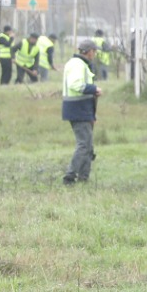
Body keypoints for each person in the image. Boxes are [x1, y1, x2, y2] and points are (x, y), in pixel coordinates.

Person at [61, 39, 103, 184]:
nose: (95, 54)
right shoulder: (77, 65)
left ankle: (84, 178)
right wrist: (94, 89)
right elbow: (75, 84)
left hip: (83, 108)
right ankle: (70, 176)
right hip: (78, 108)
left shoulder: (79, 64)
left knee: (88, 145)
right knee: (84, 144)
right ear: (89, 51)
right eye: (94, 51)